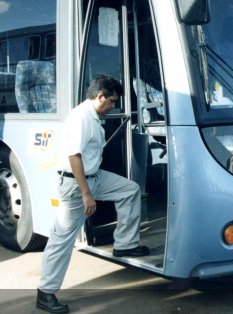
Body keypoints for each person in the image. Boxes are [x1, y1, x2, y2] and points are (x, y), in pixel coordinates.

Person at [36, 75, 149, 314]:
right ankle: (45, 293)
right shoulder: (81, 117)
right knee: (63, 238)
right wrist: (87, 194)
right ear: (100, 97)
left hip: (95, 177)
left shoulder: (93, 116)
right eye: (111, 101)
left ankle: (125, 245)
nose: (112, 107)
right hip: (77, 185)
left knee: (130, 190)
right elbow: (73, 156)